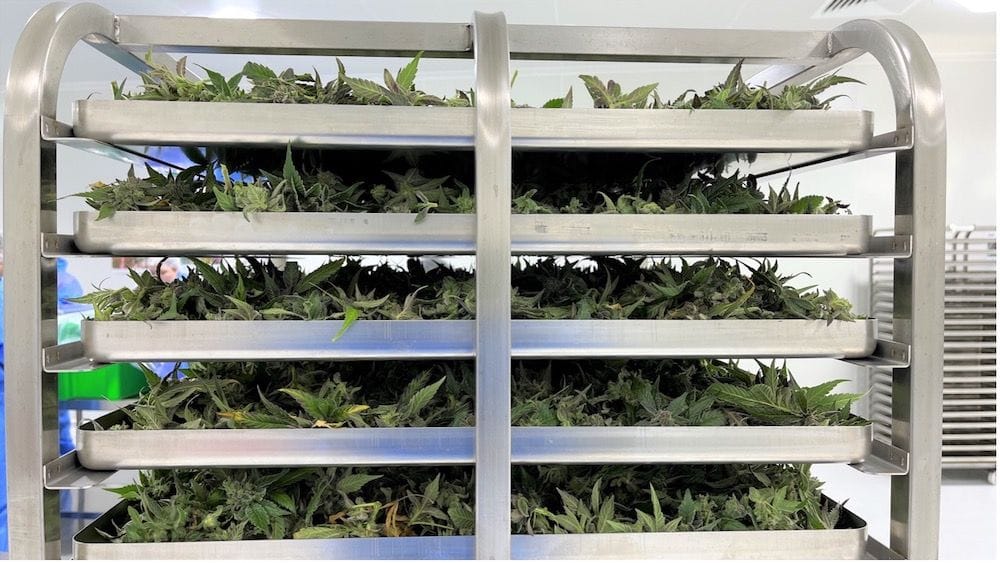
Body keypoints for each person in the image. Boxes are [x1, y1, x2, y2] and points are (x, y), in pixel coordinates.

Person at [1, 245, 80, 553]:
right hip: (34, 392)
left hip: (23, 395)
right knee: (36, 472)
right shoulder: (47, 281)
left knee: (22, 478)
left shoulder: (18, 289)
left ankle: (22, 548)